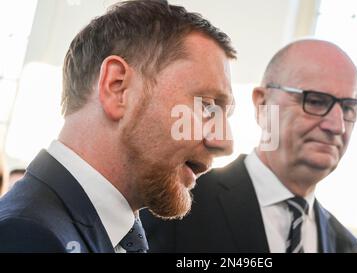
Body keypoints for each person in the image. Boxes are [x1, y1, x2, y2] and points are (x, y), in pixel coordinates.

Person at [0, 0, 235, 253]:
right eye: (208, 106)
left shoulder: (99, 233)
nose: (225, 143)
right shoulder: (27, 237)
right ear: (118, 87)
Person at [141, 39, 357, 253]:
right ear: (262, 103)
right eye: (315, 101)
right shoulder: (176, 205)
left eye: (349, 108)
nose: (336, 126)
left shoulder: (347, 245)